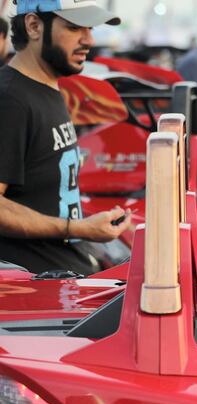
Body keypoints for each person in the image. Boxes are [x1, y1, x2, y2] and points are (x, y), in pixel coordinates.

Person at [0, 0, 133, 275]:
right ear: (34, 26)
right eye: (74, 27)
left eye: (90, 28)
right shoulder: (10, 100)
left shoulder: (47, 86)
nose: (89, 39)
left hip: (69, 277)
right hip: (43, 300)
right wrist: (79, 228)